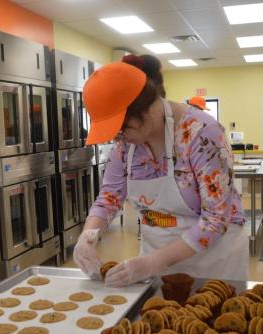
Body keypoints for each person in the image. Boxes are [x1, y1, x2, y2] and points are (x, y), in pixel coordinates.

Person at [73, 54, 247, 287]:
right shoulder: (126, 144)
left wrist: (154, 262)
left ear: (147, 110)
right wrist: (88, 235)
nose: (119, 138)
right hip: (156, 255)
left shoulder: (202, 132)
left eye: (122, 130)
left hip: (214, 259)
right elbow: (109, 197)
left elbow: (216, 218)